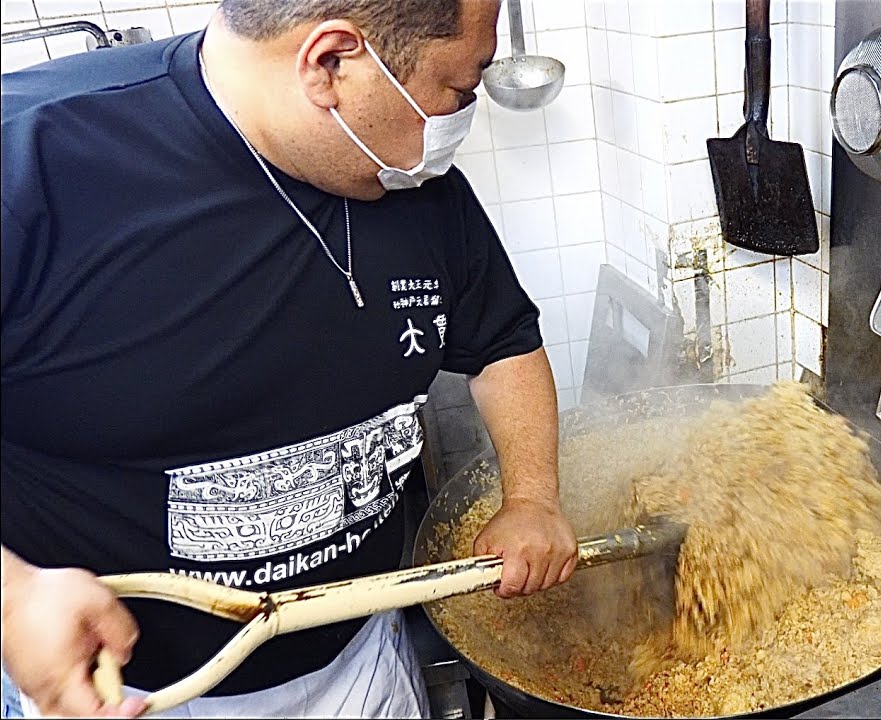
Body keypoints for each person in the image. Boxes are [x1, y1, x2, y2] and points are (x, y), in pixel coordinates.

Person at [0, 0, 579, 716]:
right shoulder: (27, 158)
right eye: (459, 90)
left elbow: (503, 344)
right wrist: (11, 598)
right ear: (332, 63)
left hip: (360, 662)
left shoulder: (412, 183)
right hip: (132, 694)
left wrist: (532, 499)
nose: (461, 113)